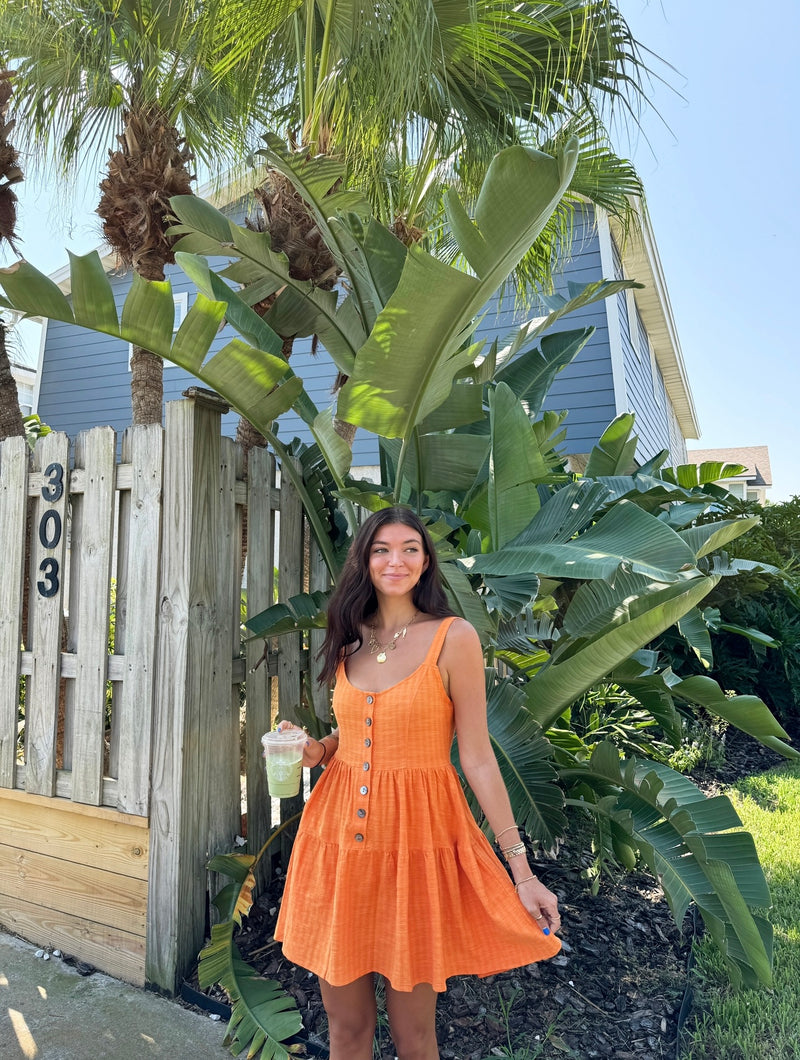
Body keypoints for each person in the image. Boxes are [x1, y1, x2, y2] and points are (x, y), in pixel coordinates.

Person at [274, 506, 561, 1060]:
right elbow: (354, 728)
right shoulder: (349, 639)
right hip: (338, 847)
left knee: (414, 1034)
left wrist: (520, 871)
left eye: (410, 548)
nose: (395, 559)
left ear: (426, 562)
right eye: (381, 548)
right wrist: (321, 748)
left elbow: (476, 757)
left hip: (416, 849)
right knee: (346, 1029)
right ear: (365, 560)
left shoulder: (454, 637)